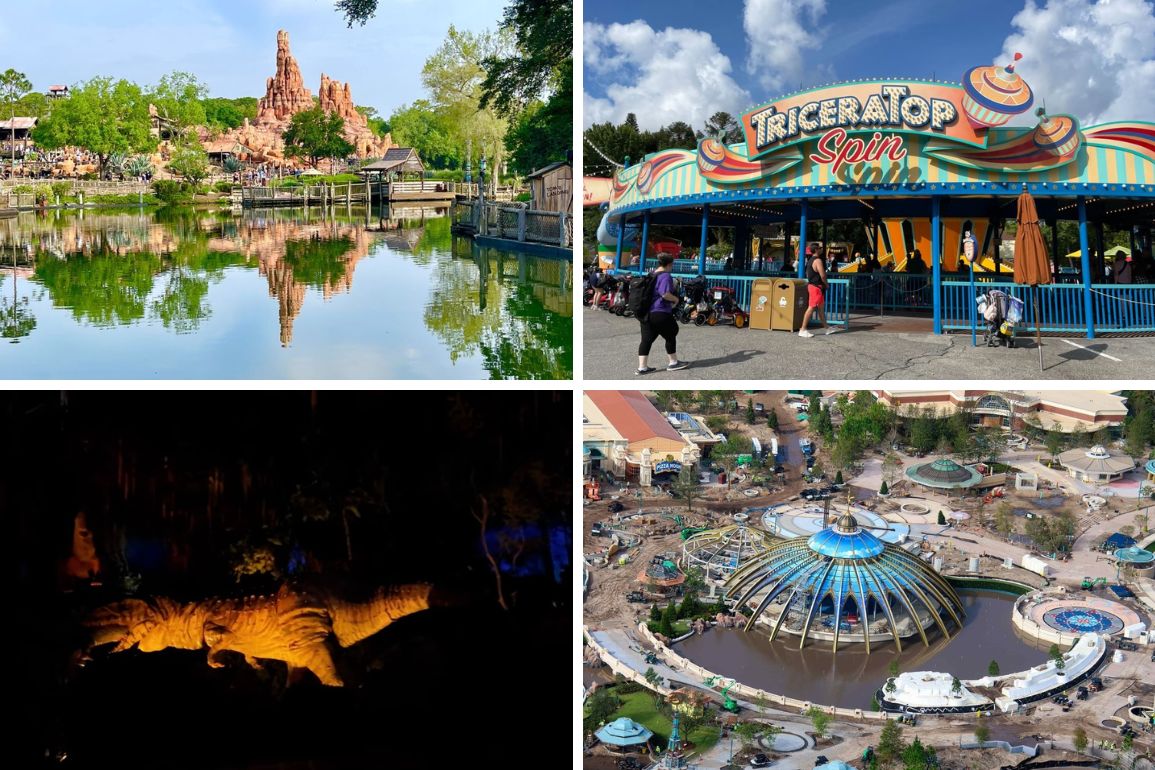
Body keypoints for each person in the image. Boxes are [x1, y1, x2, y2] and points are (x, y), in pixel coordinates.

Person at [637, 253, 689, 374]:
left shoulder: (651, 275)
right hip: (660, 311)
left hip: (646, 313)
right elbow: (664, 293)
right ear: (669, 264)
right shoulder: (665, 276)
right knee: (671, 333)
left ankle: (642, 368)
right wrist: (676, 300)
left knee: (646, 340)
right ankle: (673, 362)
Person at [799, 243, 837, 337]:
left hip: (813, 286)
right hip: (816, 287)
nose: (821, 249)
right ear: (816, 250)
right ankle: (803, 329)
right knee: (811, 308)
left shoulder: (810, 261)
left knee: (820, 308)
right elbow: (823, 275)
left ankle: (827, 328)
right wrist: (827, 284)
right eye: (819, 248)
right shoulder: (818, 260)